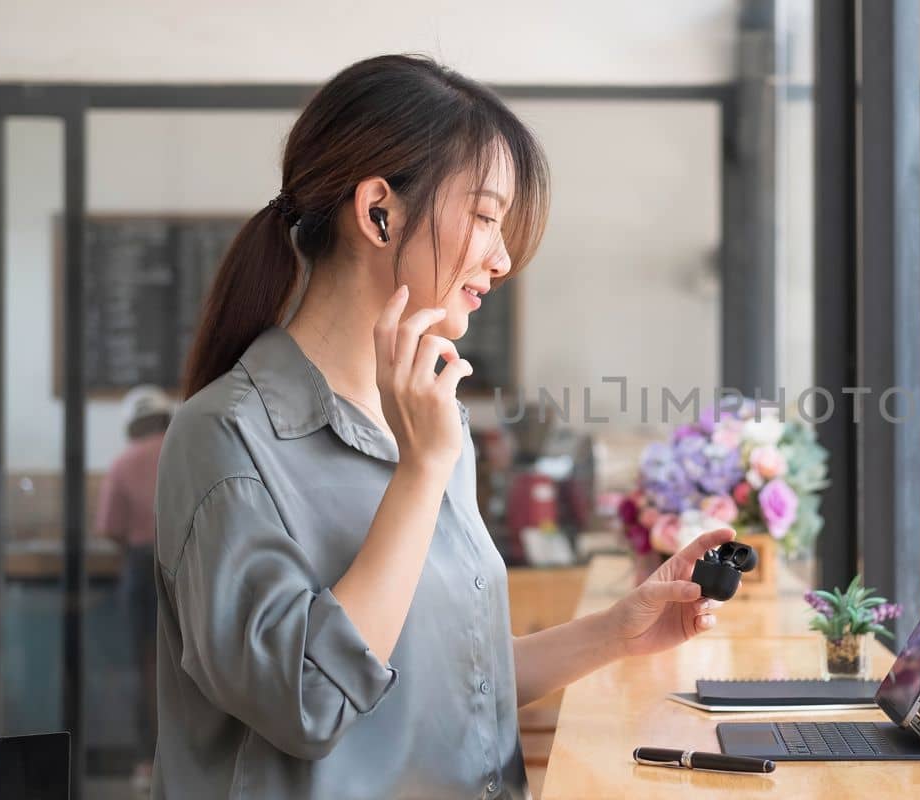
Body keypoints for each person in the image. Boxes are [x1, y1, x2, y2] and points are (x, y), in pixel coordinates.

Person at [154, 54, 730, 799]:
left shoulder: (430, 427)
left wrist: (616, 631)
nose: (504, 257)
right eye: (487, 217)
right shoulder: (226, 439)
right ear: (378, 212)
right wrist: (421, 471)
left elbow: (446, 681)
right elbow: (309, 701)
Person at [95, 384, 173, 794]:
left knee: (144, 666)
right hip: (186, 563)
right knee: (186, 662)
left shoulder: (123, 463)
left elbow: (110, 528)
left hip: (141, 567)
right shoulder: (186, 449)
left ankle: (147, 760)